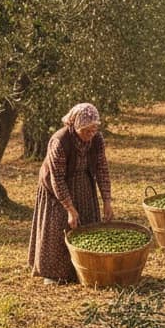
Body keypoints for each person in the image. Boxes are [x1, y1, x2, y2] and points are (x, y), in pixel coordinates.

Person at [28, 102, 113, 285]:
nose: (90, 134)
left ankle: (83, 269)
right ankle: (53, 274)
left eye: (94, 129)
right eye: (86, 130)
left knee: (86, 226)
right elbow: (57, 179)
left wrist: (107, 200)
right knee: (59, 227)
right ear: (75, 125)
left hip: (83, 184)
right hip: (55, 188)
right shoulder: (60, 141)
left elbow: (102, 169)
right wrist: (69, 208)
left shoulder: (97, 139)